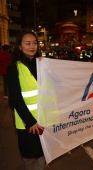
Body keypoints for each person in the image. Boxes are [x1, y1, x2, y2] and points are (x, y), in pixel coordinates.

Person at [7, 30, 46, 170]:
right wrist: (30, 122)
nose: (32, 46)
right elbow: (15, 99)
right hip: (27, 123)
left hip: (44, 119)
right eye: (28, 43)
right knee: (29, 156)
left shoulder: (42, 64)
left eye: (35, 43)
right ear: (19, 46)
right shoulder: (14, 67)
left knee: (43, 153)